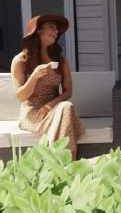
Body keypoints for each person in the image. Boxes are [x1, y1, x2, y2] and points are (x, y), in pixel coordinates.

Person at [10, 14, 84, 159]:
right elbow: (21, 96)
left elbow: (68, 91)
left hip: (54, 108)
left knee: (66, 107)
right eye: (51, 27)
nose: (56, 31)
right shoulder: (21, 60)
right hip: (33, 113)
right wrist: (35, 75)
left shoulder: (61, 61)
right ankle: (68, 167)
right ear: (38, 31)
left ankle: (58, 165)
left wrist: (49, 106)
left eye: (57, 29)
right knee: (65, 115)